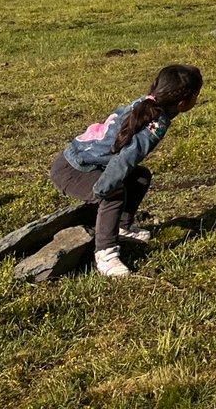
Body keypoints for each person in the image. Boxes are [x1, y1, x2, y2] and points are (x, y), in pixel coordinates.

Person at [51, 63, 203, 277]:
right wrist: (103, 189)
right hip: (71, 169)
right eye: (197, 95)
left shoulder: (147, 103)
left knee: (140, 177)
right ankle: (105, 253)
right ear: (182, 102)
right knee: (114, 192)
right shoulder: (154, 125)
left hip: (82, 161)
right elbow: (124, 161)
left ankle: (121, 227)